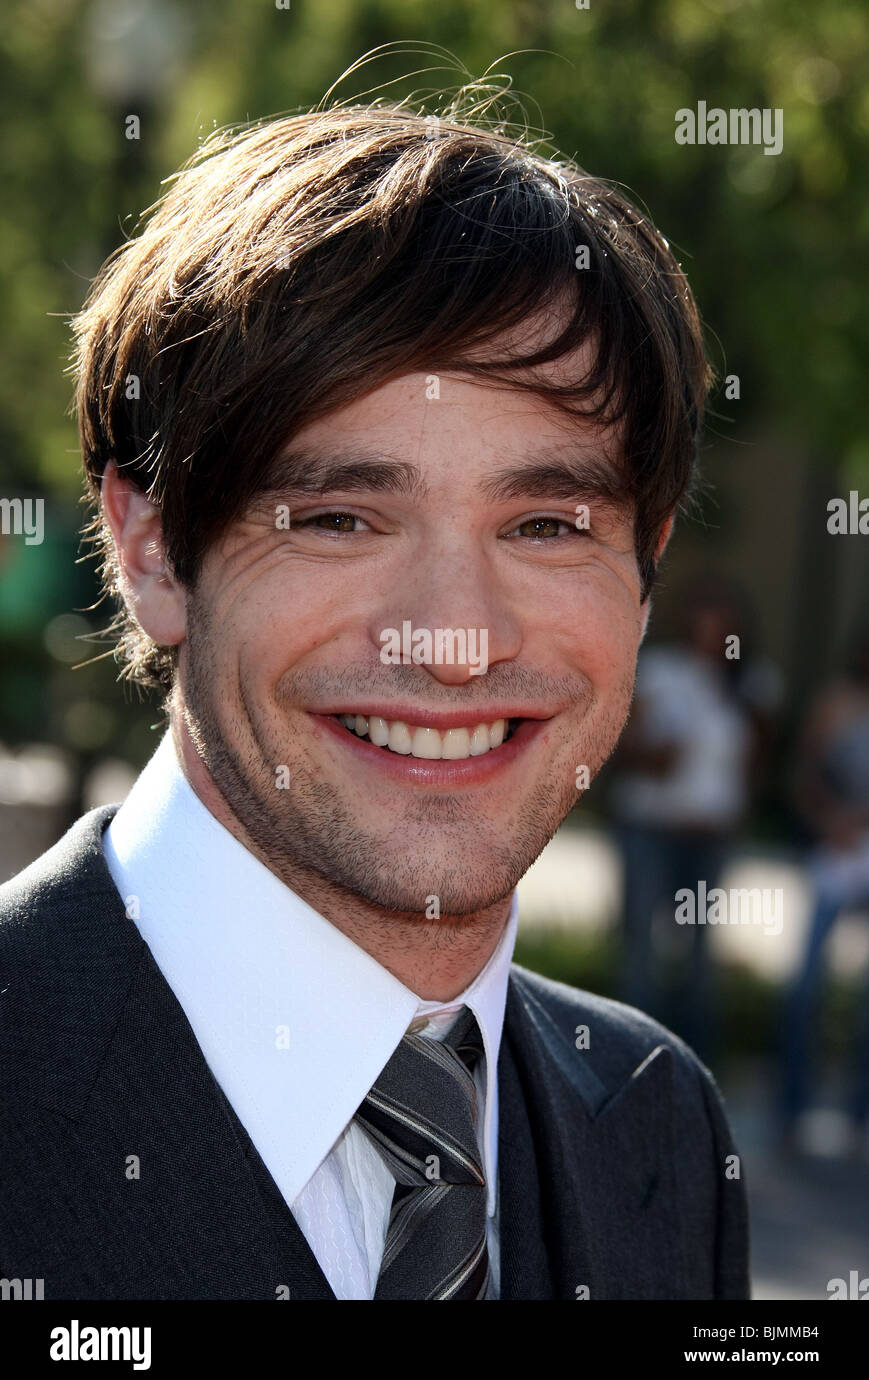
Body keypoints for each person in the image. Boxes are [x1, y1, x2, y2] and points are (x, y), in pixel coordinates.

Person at [0, 91, 749, 1299]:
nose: (455, 638)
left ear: (645, 568)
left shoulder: (657, 1125)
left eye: (547, 524)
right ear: (148, 553)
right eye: (340, 518)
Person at [608, 580, 781, 1062]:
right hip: (651, 828)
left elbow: (760, 764)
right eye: (704, 616)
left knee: (699, 961)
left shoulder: (753, 683)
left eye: (721, 618)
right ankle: (630, 1058)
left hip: (710, 834)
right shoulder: (659, 670)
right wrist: (655, 757)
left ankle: (690, 1066)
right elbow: (622, 749)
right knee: (641, 952)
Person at [780, 631, 869, 1150]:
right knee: (807, 987)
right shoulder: (835, 704)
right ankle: (792, 1108)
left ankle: (859, 1116)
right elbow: (805, 775)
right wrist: (829, 821)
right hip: (835, 854)